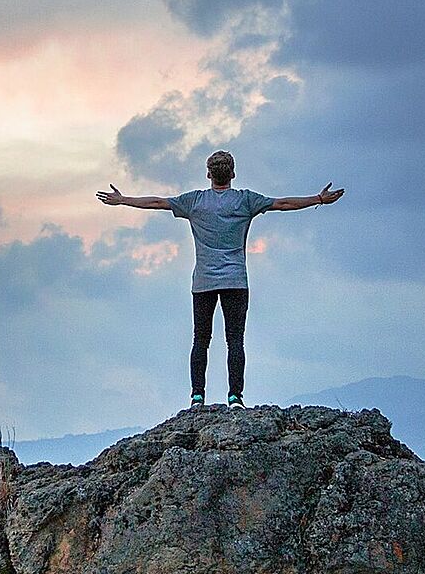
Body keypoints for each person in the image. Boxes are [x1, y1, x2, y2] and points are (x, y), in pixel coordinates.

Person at [96, 150, 342, 409]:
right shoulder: (246, 201)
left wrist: (123, 200)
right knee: (235, 340)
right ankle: (235, 397)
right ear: (233, 174)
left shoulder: (194, 202)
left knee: (200, 339)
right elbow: (283, 204)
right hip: (235, 280)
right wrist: (319, 199)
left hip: (203, 282)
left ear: (208, 174)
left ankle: (197, 397)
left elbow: (158, 203)